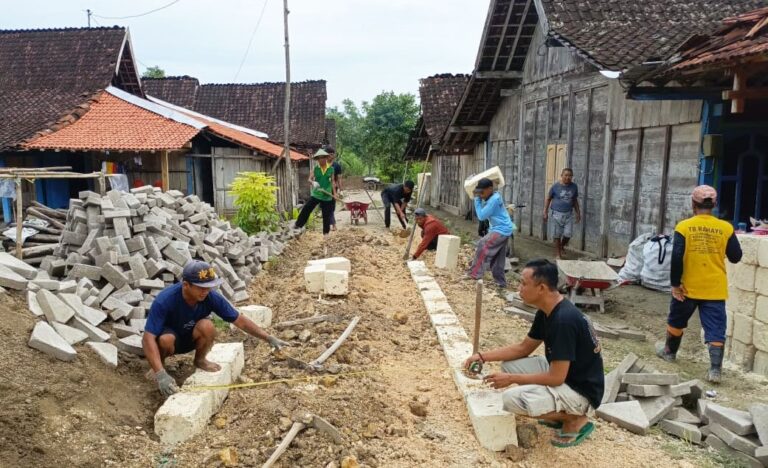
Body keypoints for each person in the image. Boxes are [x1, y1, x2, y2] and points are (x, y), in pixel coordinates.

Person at [464, 259, 604, 448]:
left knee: (512, 400)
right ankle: (558, 410)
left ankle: (575, 418)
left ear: (542, 288)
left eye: (524, 283)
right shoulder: (547, 311)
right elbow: (524, 348)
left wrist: (512, 378)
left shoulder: (563, 321)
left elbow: (556, 377)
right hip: (568, 375)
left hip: (581, 391)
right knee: (509, 364)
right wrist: (482, 356)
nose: (519, 288)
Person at [142, 261, 289, 397]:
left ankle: (200, 360)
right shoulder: (165, 300)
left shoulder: (210, 297)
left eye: (209, 287)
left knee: (208, 326)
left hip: (190, 337)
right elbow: (148, 338)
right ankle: (158, 368)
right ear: (186, 285)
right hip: (169, 341)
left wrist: (268, 337)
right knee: (166, 339)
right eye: (201, 287)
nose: (205, 291)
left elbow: (239, 320)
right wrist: (160, 374)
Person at [656, 185, 742, 383]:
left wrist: (675, 284)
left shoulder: (684, 227)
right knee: (716, 328)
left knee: (677, 320)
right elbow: (736, 257)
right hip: (715, 289)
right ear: (714, 204)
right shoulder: (726, 228)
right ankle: (715, 370)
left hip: (687, 288)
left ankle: (669, 352)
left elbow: (676, 257)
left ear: (693, 204)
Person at [465, 178, 514, 289]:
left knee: (483, 244)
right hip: (504, 229)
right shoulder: (493, 195)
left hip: (501, 230)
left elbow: (481, 216)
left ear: (490, 189)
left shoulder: (494, 200)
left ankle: (475, 273)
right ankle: (500, 283)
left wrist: (476, 199)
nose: (480, 194)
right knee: (498, 258)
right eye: (479, 192)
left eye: (482, 192)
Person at [294, 149, 337, 236]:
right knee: (307, 208)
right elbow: (309, 179)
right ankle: (298, 224)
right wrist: (313, 182)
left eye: (323, 158)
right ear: (317, 159)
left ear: (326, 158)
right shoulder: (315, 169)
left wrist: (335, 194)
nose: (321, 160)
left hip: (327, 195)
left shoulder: (331, 169)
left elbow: (333, 182)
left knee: (326, 215)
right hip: (316, 193)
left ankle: (326, 233)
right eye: (319, 158)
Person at [544, 168, 581, 259]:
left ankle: (561, 246)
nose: (568, 177)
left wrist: (578, 213)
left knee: (568, 234)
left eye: (570, 176)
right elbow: (548, 199)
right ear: (562, 176)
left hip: (568, 214)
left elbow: (574, 200)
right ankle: (558, 254)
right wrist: (545, 211)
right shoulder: (555, 187)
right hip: (556, 214)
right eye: (566, 175)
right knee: (557, 235)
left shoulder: (574, 187)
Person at [327, 146, 343, 231]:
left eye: (332, 154)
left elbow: (339, 178)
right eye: (329, 154)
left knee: (331, 207)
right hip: (323, 189)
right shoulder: (322, 165)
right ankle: (332, 224)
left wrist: (341, 189)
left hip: (333, 189)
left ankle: (332, 224)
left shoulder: (337, 166)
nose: (331, 156)